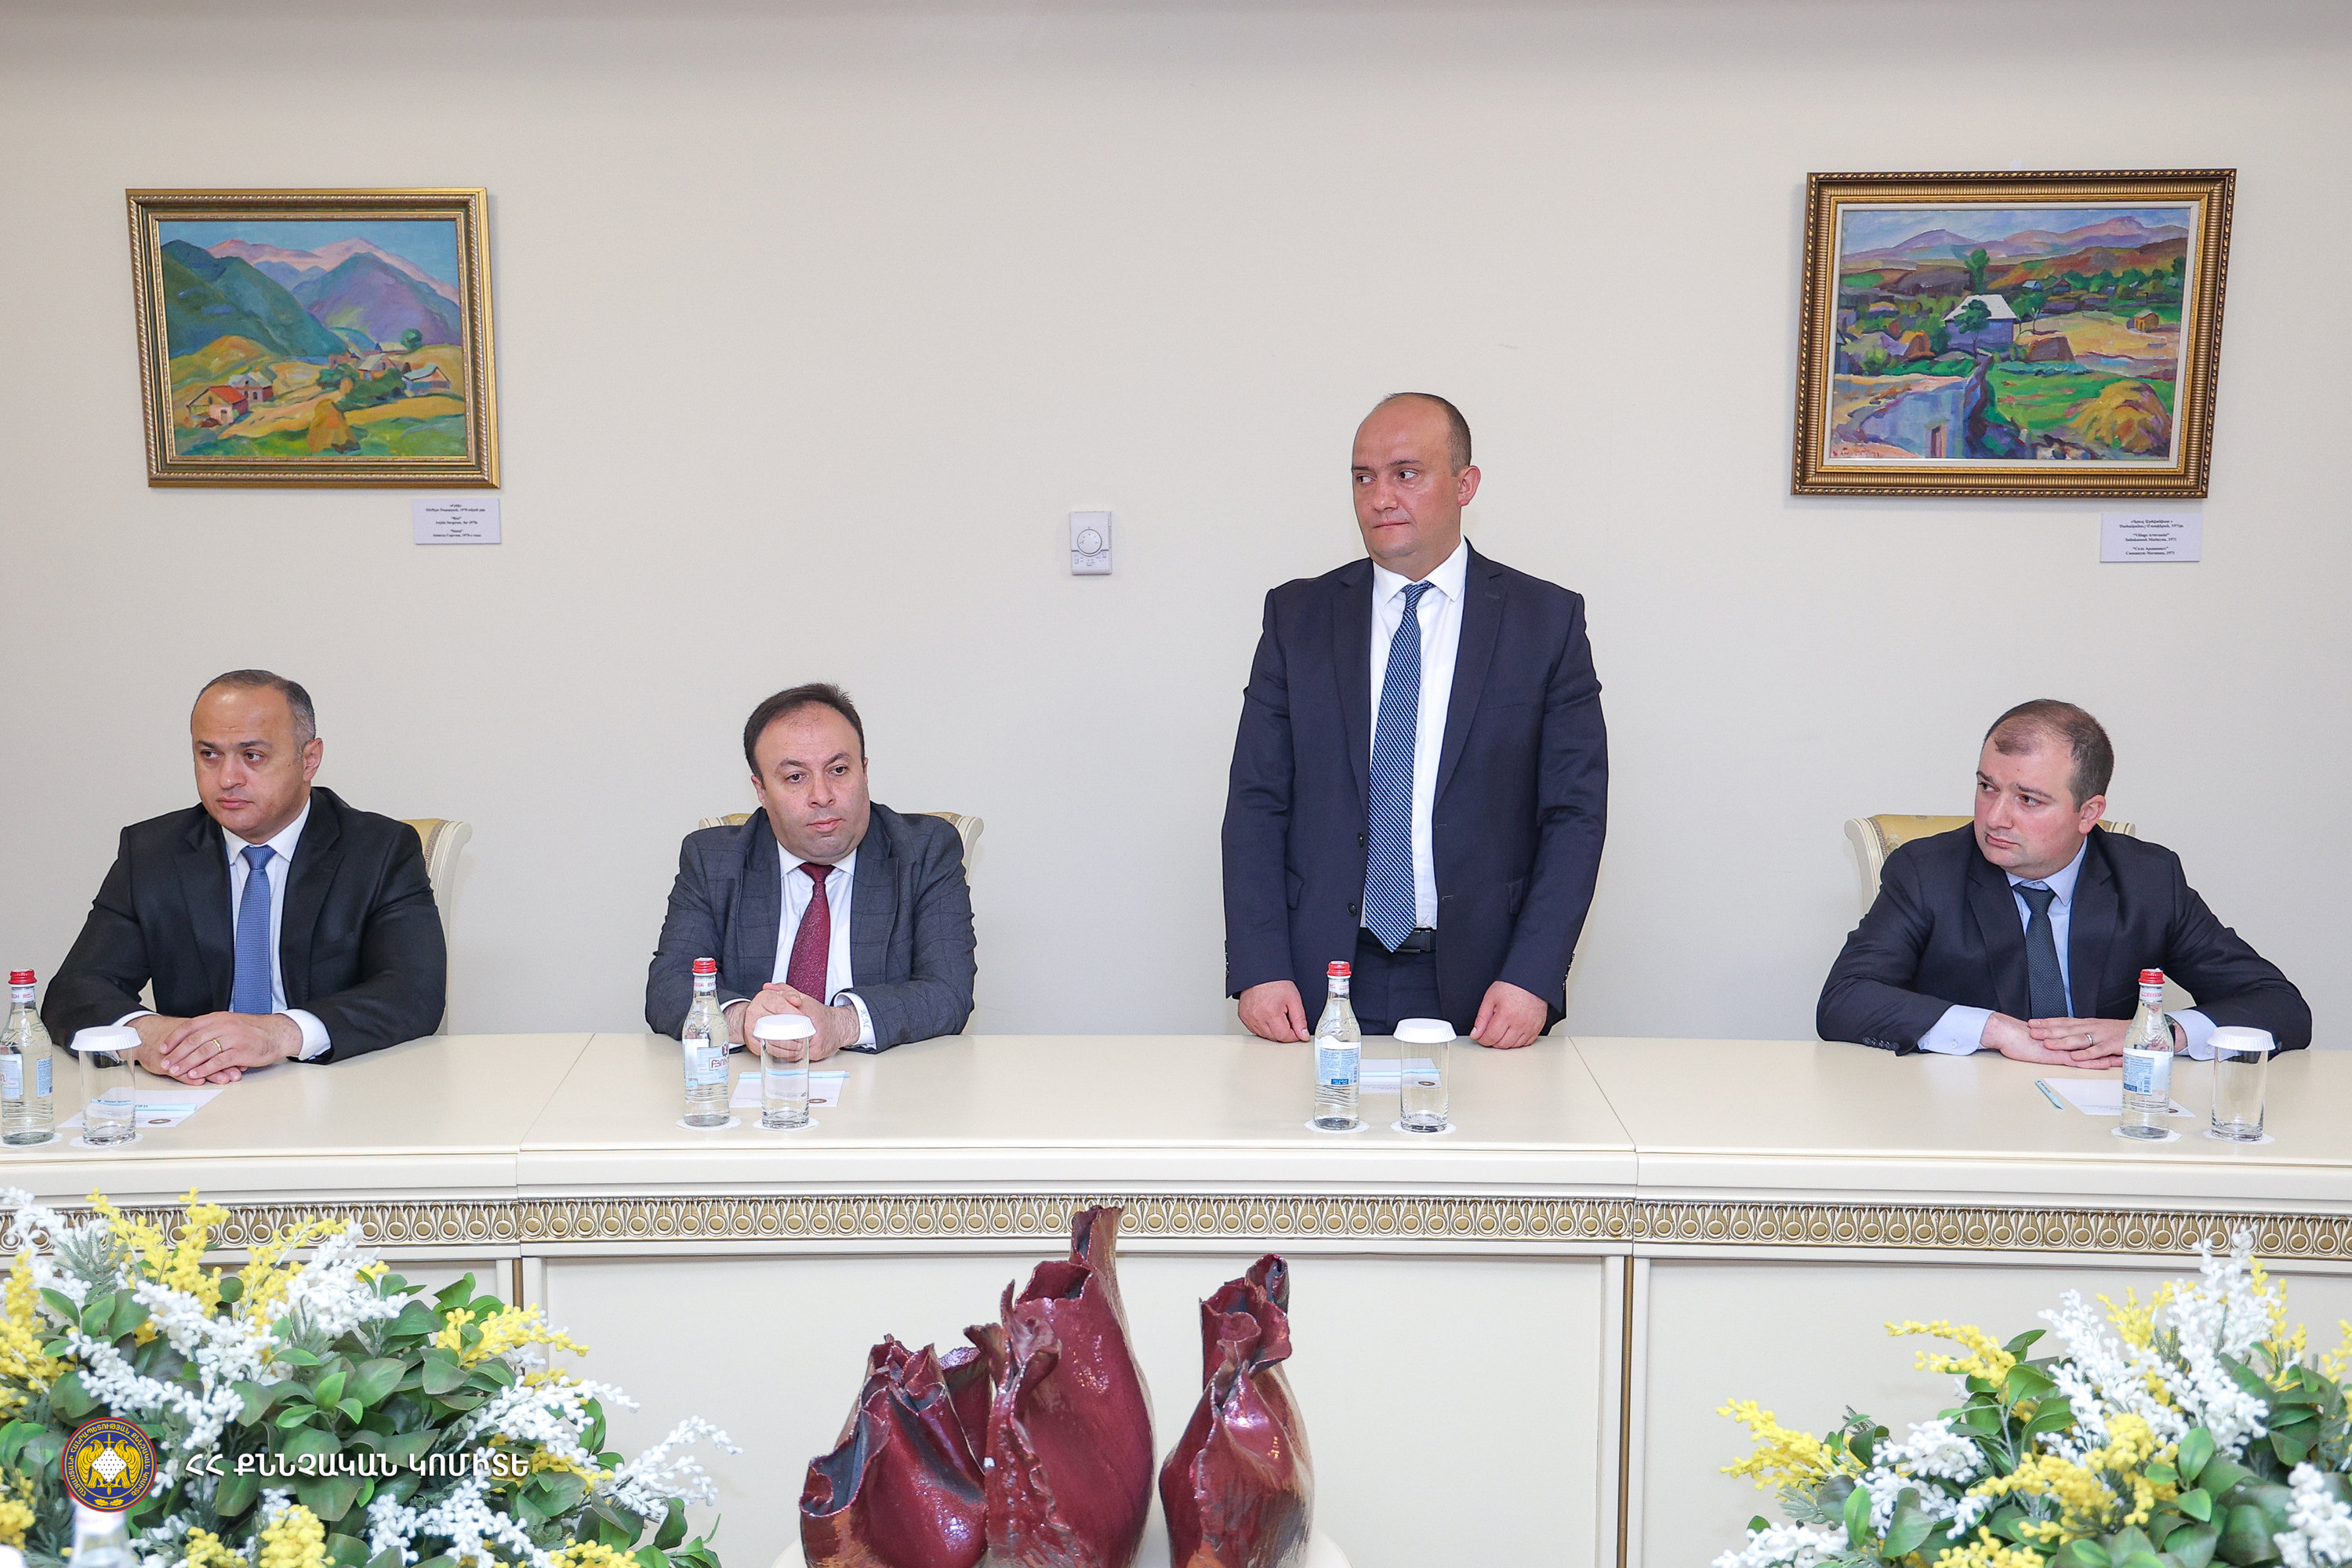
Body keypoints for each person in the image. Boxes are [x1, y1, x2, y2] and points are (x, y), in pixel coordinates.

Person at [1221, 393, 1609, 1046]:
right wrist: (1260, 966)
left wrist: (1533, 975)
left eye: (1405, 474)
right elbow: (1257, 802)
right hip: (1320, 981)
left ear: (1465, 485)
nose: (1380, 498)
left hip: (1487, 987)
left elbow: (1575, 814)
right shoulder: (1297, 617)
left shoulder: (1545, 621)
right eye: (1363, 477)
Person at [1818, 699, 2310, 1061]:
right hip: (1965, 1112)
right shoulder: (1926, 871)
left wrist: (2157, 1032)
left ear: (2088, 813)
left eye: (2028, 799)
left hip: (2106, 1112)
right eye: (1987, 787)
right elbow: (1844, 1000)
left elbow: (2280, 1006)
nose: (1995, 818)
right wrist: (1995, 1030)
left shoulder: (2148, 880)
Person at [44, 670, 448, 1084]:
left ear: (309, 759)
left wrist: (280, 1033)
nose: (227, 779)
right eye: (209, 755)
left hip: (335, 1085)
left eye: (252, 756)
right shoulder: (153, 853)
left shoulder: (379, 850)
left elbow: (414, 992)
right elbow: (74, 989)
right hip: (198, 1090)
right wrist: (144, 1035)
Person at [645, 683, 976, 1057]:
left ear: (864, 772)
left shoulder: (924, 851)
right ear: (761, 790)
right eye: (795, 777)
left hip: (887, 1079)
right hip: (751, 1077)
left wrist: (841, 1024)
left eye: (839, 770)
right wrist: (743, 1019)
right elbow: (669, 986)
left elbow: (948, 992)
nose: (822, 795)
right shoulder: (714, 859)